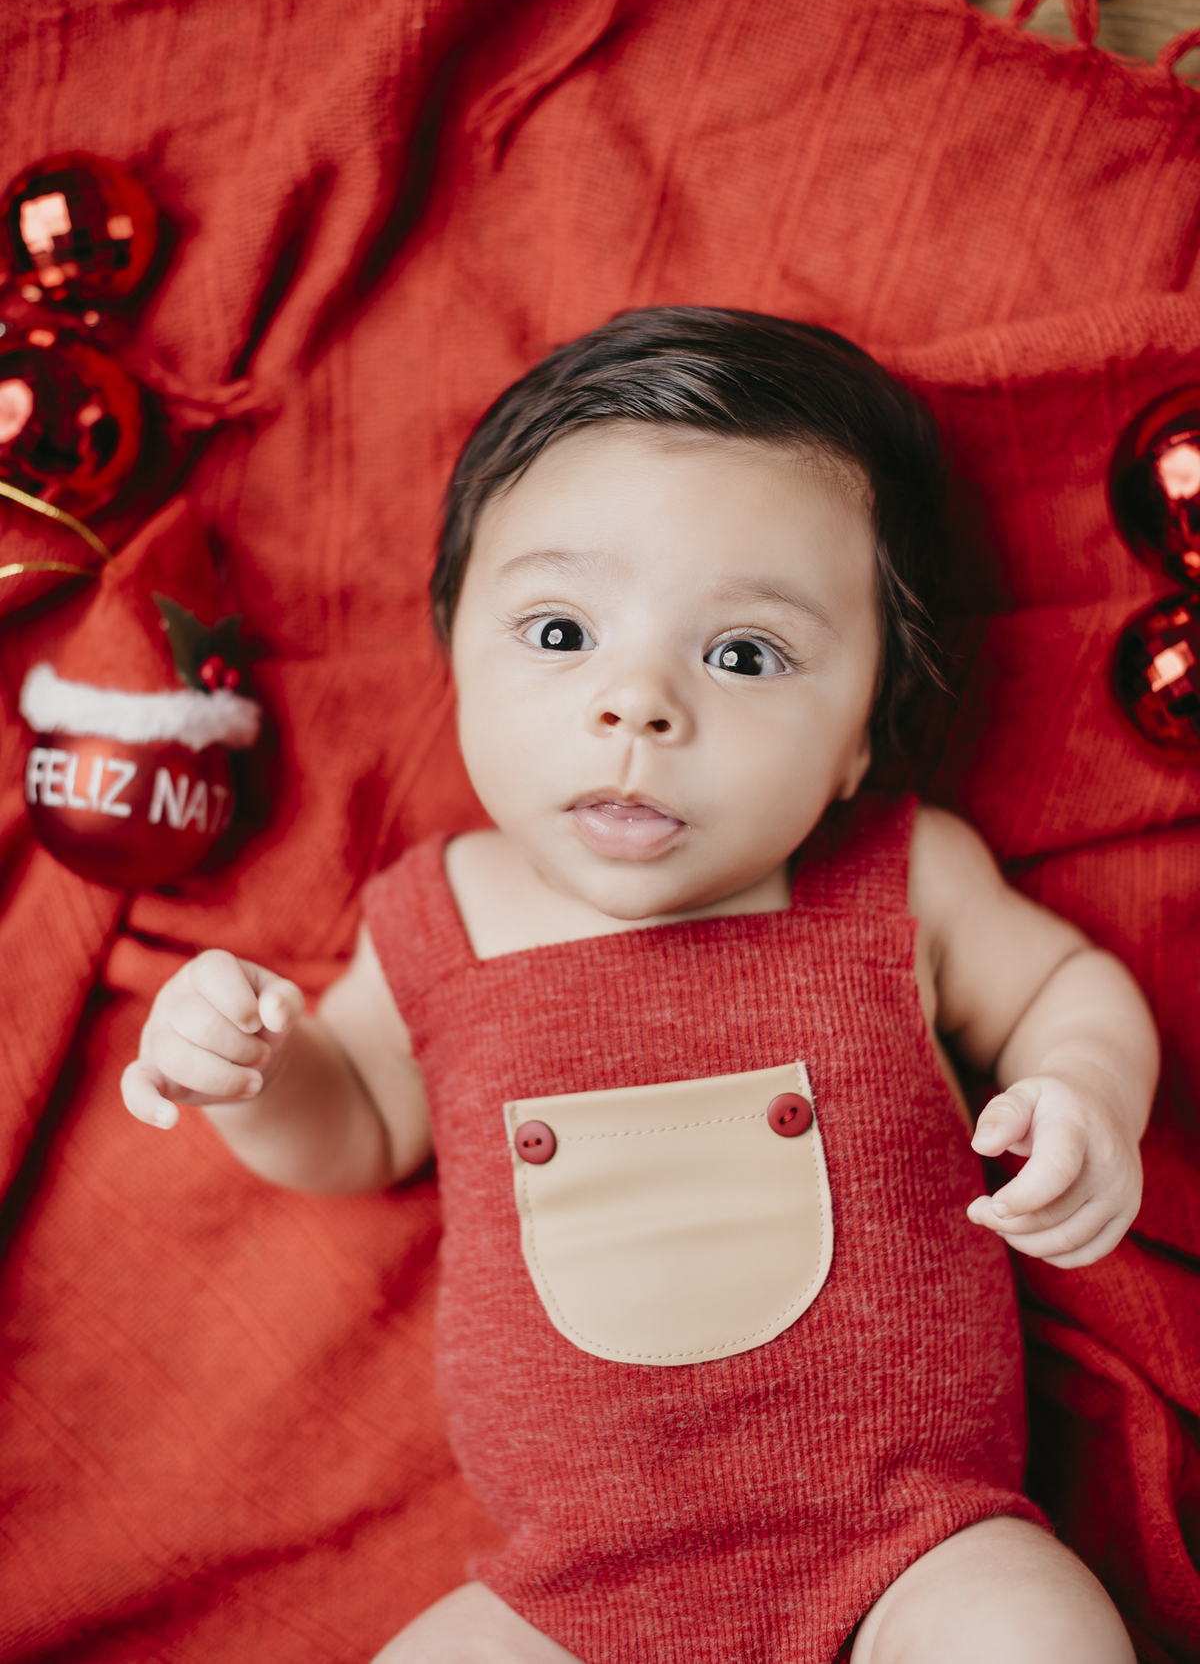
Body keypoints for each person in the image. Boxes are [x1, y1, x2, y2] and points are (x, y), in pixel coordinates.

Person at [121, 309, 1156, 1664]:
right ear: (454, 650)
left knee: (1042, 1642)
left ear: (863, 736)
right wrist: (255, 1066)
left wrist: (1083, 1088)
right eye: (559, 631)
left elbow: (1067, 985)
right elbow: (360, 1120)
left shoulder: (896, 878)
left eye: (743, 654)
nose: (638, 705)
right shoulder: (443, 912)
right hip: (575, 1597)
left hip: (919, 1541)